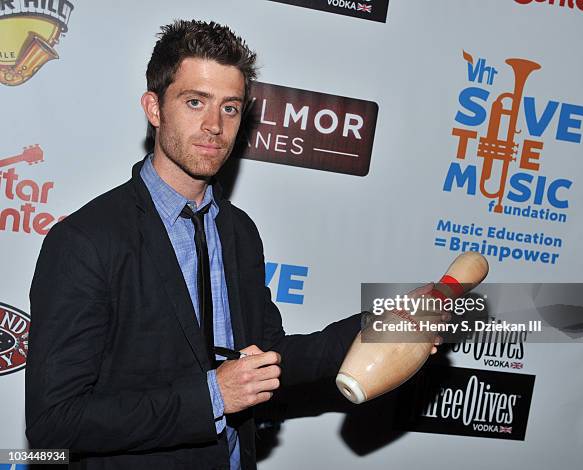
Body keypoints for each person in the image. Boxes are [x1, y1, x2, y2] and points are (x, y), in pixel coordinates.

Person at [25, 20, 439, 470]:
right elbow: (55, 422)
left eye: (230, 108)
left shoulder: (238, 230)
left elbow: (269, 358)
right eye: (195, 102)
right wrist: (212, 396)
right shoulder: (87, 241)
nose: (213, 126)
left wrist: (378, 324)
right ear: (154, 107)